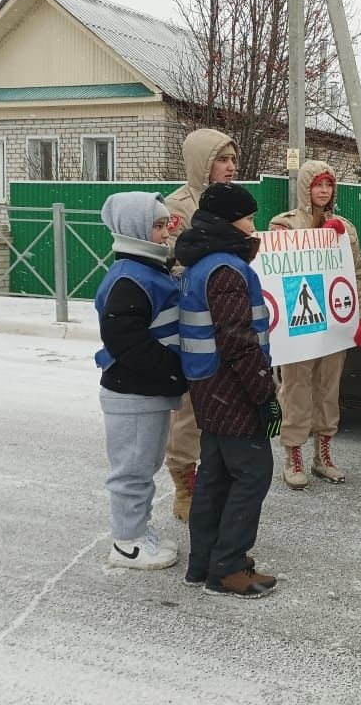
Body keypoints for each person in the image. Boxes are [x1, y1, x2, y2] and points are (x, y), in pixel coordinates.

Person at [176, 182, 279, 598]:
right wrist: (263, 394)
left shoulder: (202, 263)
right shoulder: (225, 269)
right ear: (227, 221)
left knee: (216, 476)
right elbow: (238, 339)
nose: (253, 225)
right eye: (249, 217)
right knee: (252, 475)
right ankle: (228, 568)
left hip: (208, 383)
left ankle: (203, 562)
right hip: (232, 386)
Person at [94, 192, 187, 571]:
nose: (166, 233)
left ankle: (137, 531)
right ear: (135, 227)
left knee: (144, 466)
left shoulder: (149, 270)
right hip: (132, 391)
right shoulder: (129, 279)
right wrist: (175, 369)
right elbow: (127, 342)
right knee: (132, 470)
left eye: (167, 224)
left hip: (148, 391)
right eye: (158, 225)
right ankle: (127, 543)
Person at [268, 161, 361, 489]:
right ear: (305, 188)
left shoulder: (346, 227)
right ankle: (293, 454)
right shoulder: (283, 225)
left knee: (328, 389)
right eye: (317, 185)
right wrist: (317, 235)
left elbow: (356, 273)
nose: (324, 191)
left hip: (333, 322)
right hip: (298, 323)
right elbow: (276, 271)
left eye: (329, 185)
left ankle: (322, 455)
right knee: (296, 389)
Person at [164, 127, 240, 521]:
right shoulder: (177, 207)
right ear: (203, 163)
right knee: (190, 407)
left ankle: (215, 480)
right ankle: (184, 484)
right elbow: (172, 263)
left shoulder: (232, 203)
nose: (229, 167)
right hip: (192, 319)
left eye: (232, 160)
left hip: (229, 319)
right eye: (222, 160)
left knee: (224, 402)